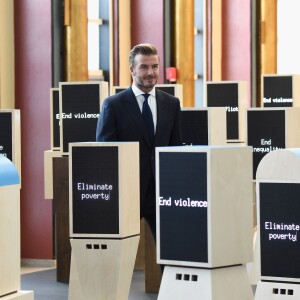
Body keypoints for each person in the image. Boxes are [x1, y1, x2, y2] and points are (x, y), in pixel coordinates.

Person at [96, 43, 182, 241]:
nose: (151, 72)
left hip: (161, 193)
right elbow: (105, 155)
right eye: (144, 67)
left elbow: (175, 149)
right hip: (125, 193)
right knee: (117, 255)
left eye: (155, 66)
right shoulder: (113, 105)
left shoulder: (171, 104)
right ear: (132, 70)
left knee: (170, 251)